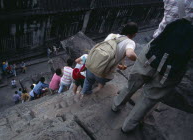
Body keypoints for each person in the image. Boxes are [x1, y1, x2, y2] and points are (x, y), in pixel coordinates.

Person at [111, 0, 193, 133]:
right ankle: (127, 127)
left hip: (153, 51)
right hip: (176, 64)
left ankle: (116, 105)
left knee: (133, 82)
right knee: (149, 98)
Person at [81, 22, 138, 97]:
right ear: (134, 34)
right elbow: (130, 54)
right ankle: (99, 88)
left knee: (88, 81)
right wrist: (138, 59)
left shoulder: (111, 35)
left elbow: (105, 55)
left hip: (90, 67)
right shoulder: (130, 42)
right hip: (104, 75)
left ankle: (84, 94)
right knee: (101, 82)